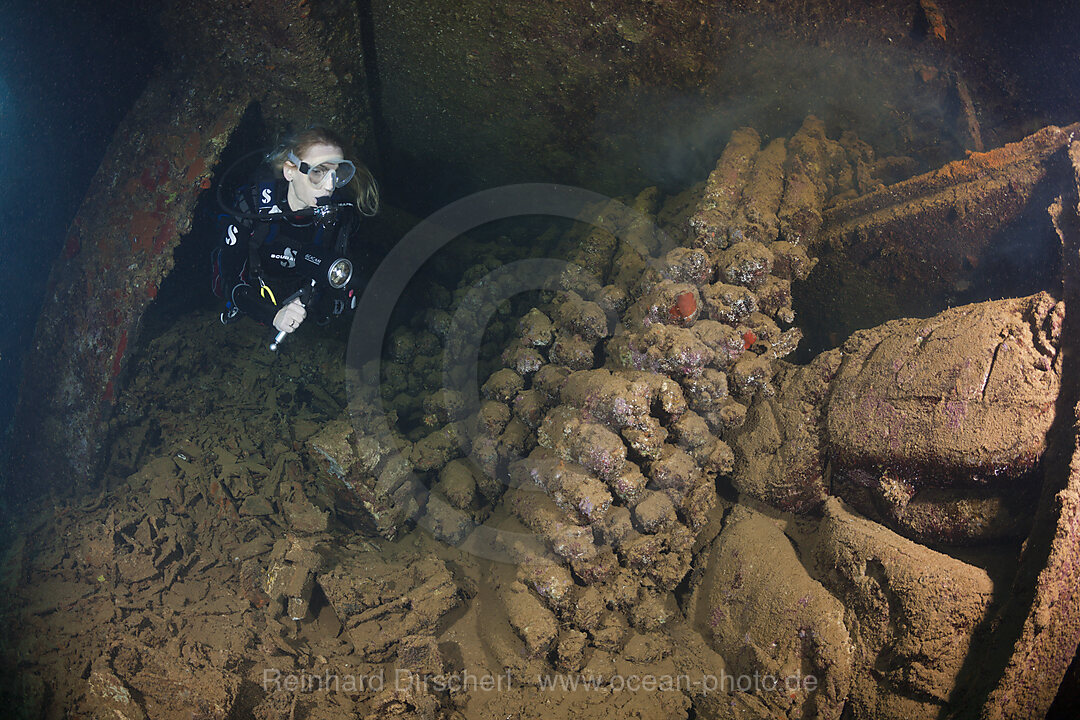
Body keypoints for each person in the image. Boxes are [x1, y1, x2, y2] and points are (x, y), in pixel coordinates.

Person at [215, 126, 379, 342]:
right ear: (290, 171)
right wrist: (272, 315)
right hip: (258, 284)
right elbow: (229, 275)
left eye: (337, 172)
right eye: (318, 172)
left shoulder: (342, 212)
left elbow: (347, 263)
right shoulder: (252, 205)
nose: (329, 186)